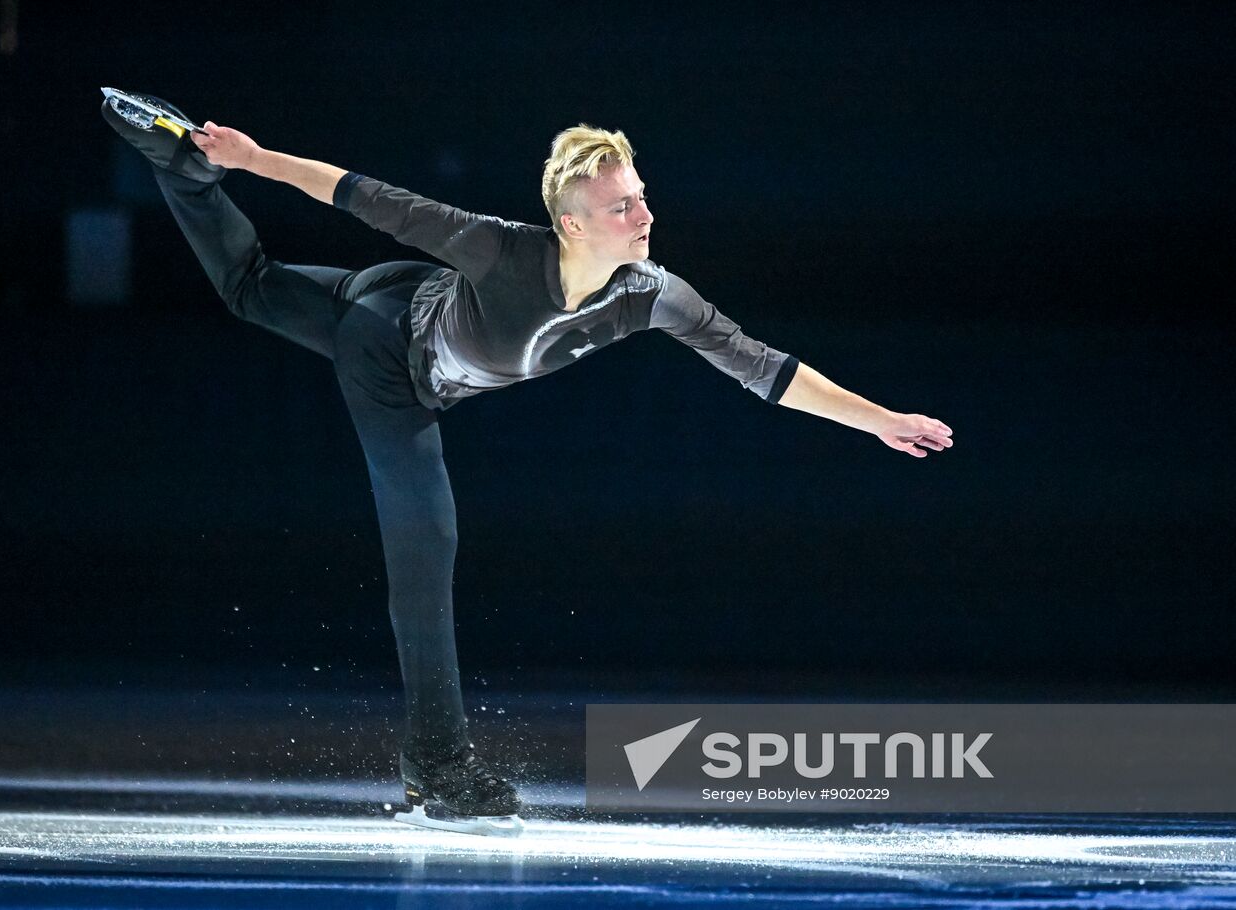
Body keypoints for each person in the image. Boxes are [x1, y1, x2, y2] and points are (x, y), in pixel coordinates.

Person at [101, 91, 954, 834]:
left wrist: (880, 421)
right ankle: (440, 764)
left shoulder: (652, 295)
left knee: (249, 287)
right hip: (386, 353)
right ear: (572, 223)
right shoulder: (503, 250)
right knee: (428, 542)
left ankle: (175, 161)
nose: (645, 215)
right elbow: (366, 198)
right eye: (622, 206)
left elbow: (763, 367)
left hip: (395, 320)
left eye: (642, 196)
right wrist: (254, 159)